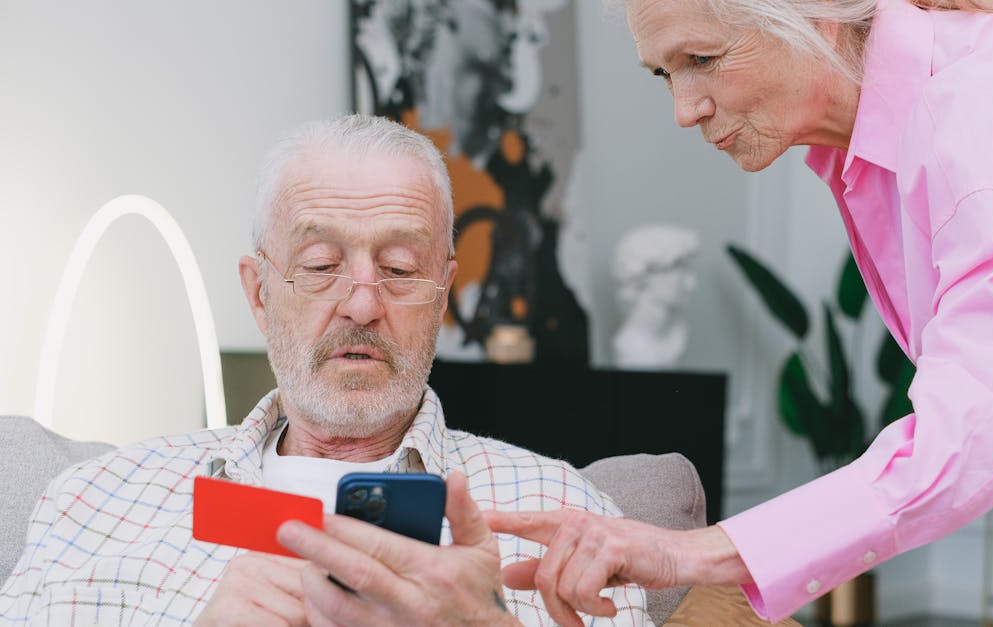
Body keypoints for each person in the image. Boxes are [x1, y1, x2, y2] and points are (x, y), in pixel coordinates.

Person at [487, 0, 993, 624]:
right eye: (664, 73)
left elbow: (974, 428)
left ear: (815, 11)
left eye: (701, 58)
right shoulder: (883, 148)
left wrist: (688, 551)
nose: (684, 107)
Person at [0, 114, 649, 626]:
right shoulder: (94, 502)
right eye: (318, 265)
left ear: (444, 292)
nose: (363, 303)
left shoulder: (560, 512)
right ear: (258, 293)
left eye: (398, 268)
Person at [611, 224, 700, 369]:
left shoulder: (677, 335)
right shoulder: (632, 349)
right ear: (645, 275)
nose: (691, 283)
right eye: (681, 269)